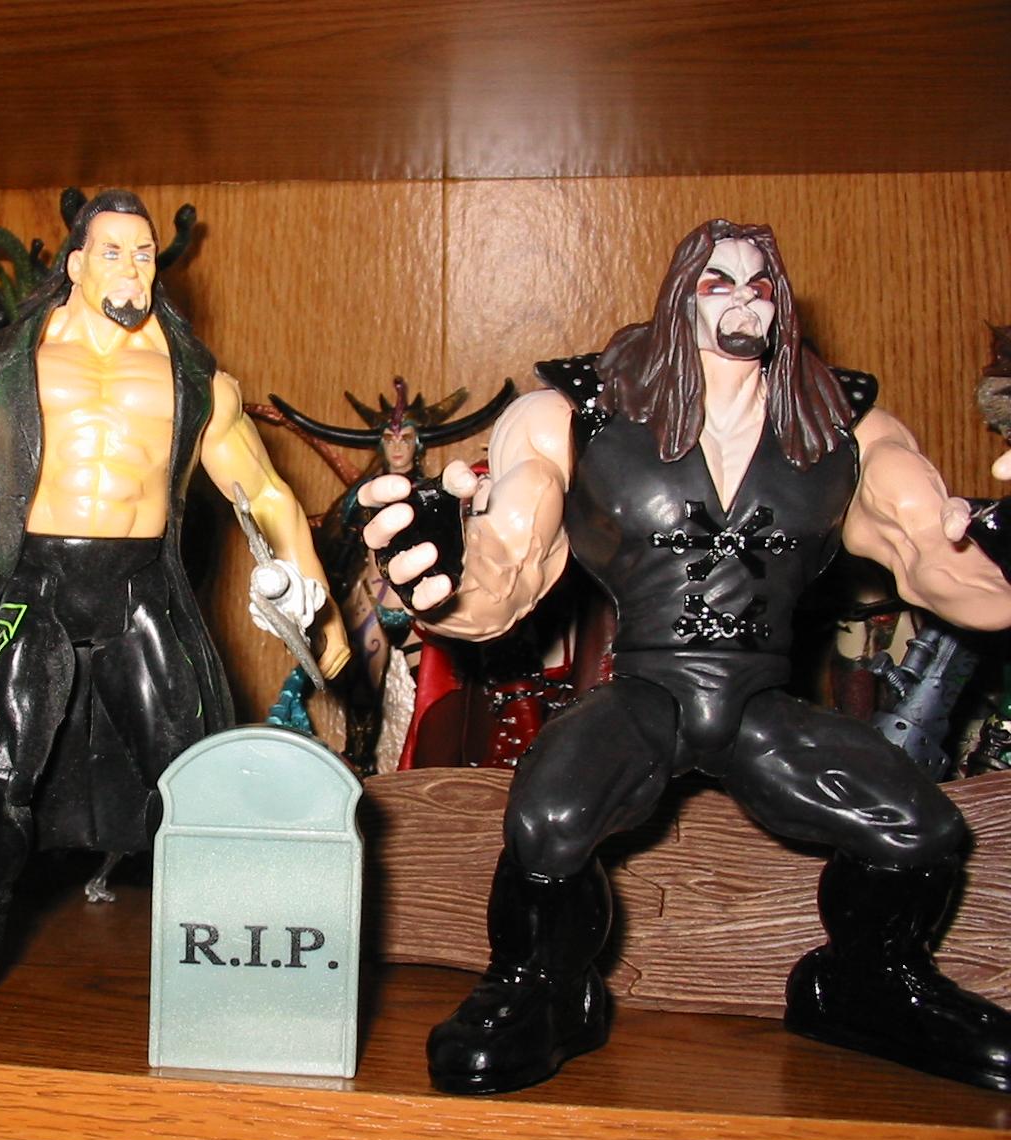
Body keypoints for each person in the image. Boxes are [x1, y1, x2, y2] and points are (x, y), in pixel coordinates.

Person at [364, 219, 1011, 1094]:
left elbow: (942, 564)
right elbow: (505, 578)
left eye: (759, 285)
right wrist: (437, 577)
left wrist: (1002, 554)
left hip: (757, 697)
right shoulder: (576, 414)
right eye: (720, 283)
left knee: (920, 828)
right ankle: (542, 985)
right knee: (549, 817)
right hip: (648, 690)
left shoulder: (844, 427)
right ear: (683, 297)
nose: (744, 300)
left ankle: (867, 983)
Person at [0, 189, 348, 1040]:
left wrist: (314, 601)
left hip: (143, 591)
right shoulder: (8, 371)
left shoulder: (193, 381)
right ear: (76, 263)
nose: (131, 268)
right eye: (112, 252)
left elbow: (267, 493)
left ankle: (238, 964)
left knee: (196, 785)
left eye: (144, 254)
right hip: (35, 588)